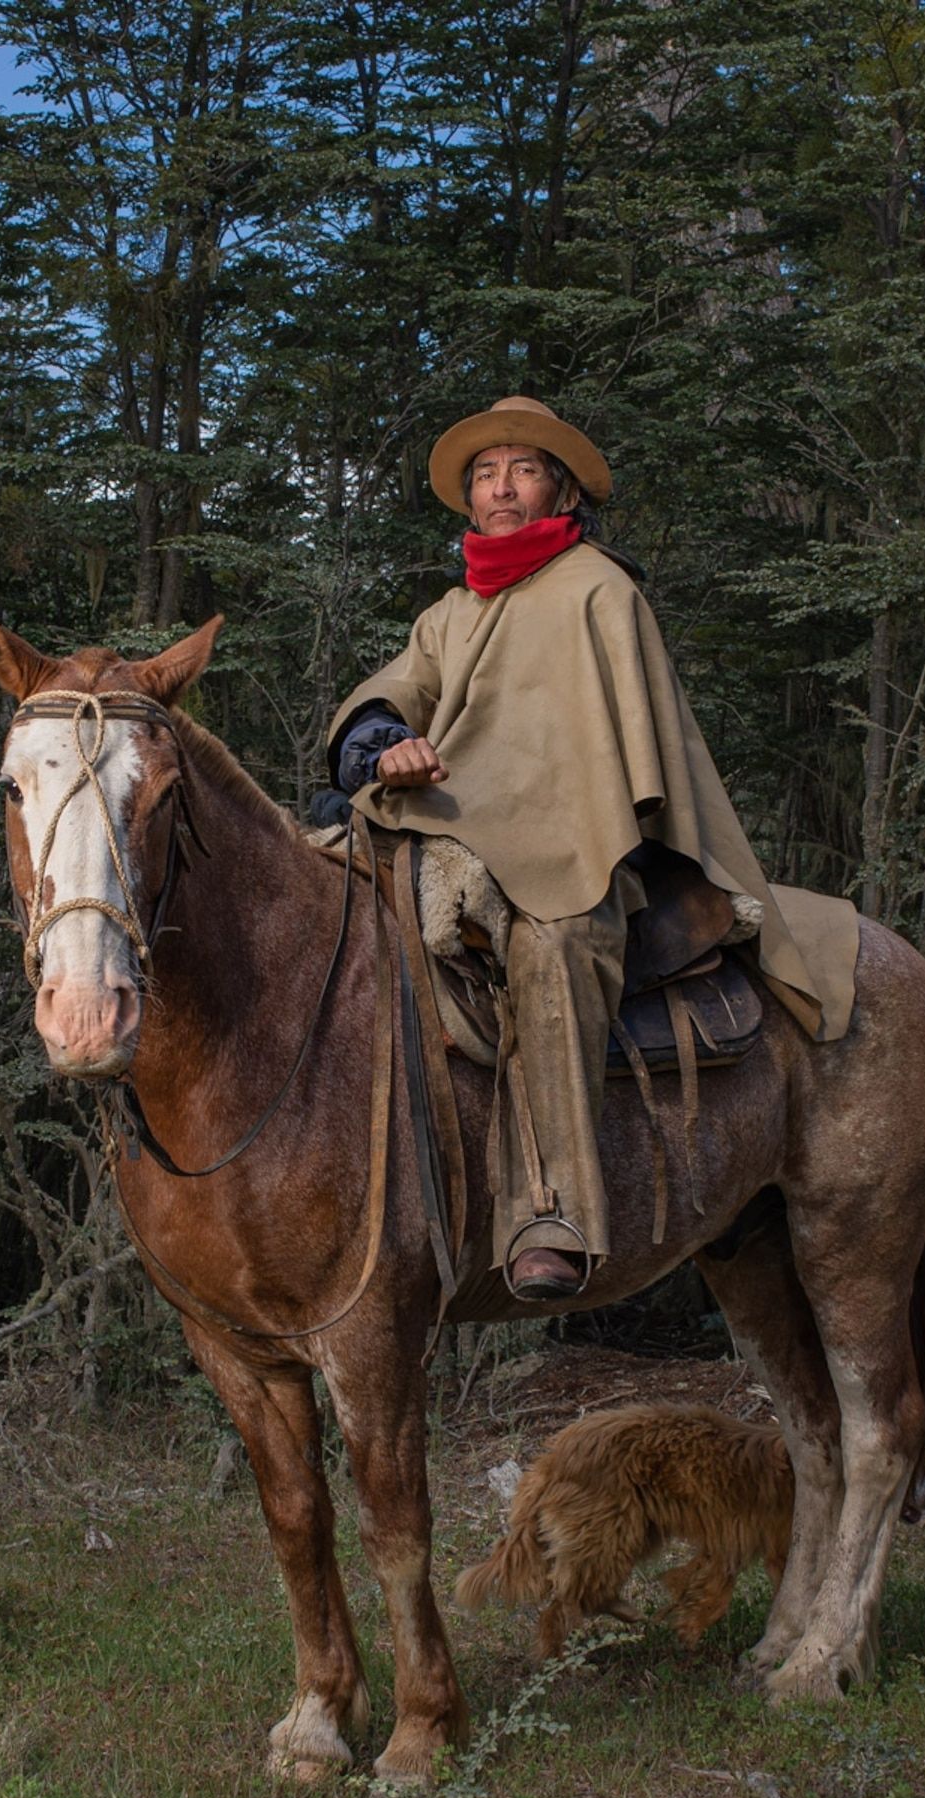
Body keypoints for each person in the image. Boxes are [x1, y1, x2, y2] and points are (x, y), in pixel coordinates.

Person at [326, 396, 841, 1301]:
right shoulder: (451, 611)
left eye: (521, 469)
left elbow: (624, 749)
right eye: (485, 474)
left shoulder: (599, 587)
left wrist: (562, 819)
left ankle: (549, 1206)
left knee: (555, 944)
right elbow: (400, 687)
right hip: (451, 821)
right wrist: (382, 743)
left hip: (576, 841)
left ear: (558, 487)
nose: (501, 488)